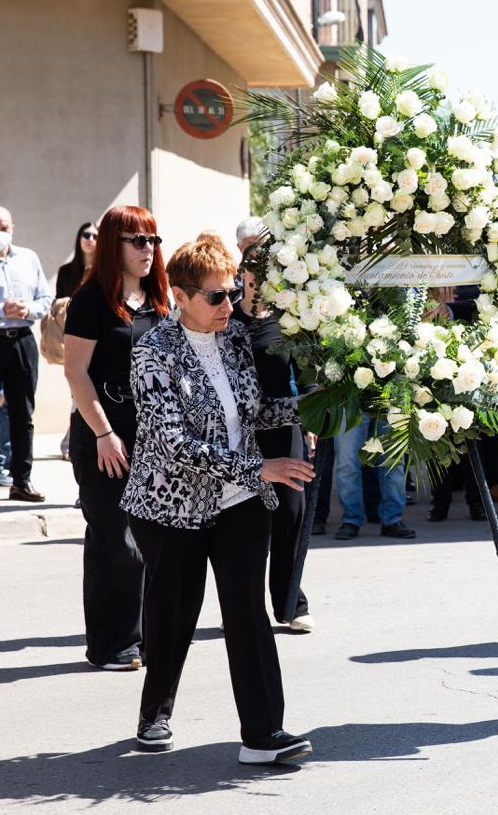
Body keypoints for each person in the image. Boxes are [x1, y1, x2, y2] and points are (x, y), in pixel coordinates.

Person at [121, 239, 315, 762]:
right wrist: (261, 467)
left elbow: (254, 414)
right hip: (172, 508)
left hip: (241, 503)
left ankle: (262, 735)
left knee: (248, 615)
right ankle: (155, 713)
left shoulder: (233, 341)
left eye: (231, 293)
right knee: (173, 614)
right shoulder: (151, 351)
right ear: (179, 296)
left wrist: (313, 406)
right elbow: (175, 443)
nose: (229, 305)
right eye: (215, 297)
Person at [63, 207, 170, 671]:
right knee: (114, 541)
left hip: (154, 440)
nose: (148, 250)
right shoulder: (90, 302)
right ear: (113, 245)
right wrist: (103, 433)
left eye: (153, 241)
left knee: (152, 543)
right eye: (137, 241)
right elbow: (75, 372)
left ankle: (146, 637)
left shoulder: (160, 299)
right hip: (103, 438)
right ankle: (112, 645)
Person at [235, 243, 314, 632]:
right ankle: (244, 605)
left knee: (291, 514)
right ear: (243, 277)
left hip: (286, 430)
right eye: (254, 277)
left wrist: (313, 419)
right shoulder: (226, 319)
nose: (260, 285)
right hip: (240, 435)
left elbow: (309, 374)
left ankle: (290, 603)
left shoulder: (288, 320)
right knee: (247, 520)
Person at [0, 206, 52, 505]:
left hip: (22, 342)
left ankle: (22, 481)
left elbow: (45, 297)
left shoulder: (29, 259)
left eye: (4, 226)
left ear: (13, 227)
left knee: (23, 414)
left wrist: (29, 309)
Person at [54, 221, 99, 463]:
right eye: (86, 234)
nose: (90, 239)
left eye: (95, 235)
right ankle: (72, 441)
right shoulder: (66, 271)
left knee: (81, 393)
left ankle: (71, 440)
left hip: (97, 340)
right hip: (72, 336)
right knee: (76, 390)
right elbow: (58, 304)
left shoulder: (102, 271)